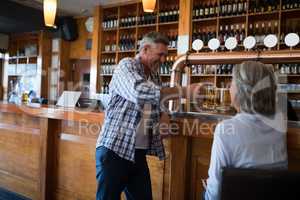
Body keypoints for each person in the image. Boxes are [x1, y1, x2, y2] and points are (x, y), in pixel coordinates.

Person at [95, 32, 202, 200]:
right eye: (160, 55)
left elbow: (160, 100)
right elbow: (140, 93)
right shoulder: (126, 66)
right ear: (145, 49)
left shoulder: (154, 76)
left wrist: (165, 116)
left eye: (165, 56)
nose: (163, 60)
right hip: (114, 149)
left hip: (137, 153)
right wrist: (184, 91)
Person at [204, 61, 288, 200]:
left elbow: (215, 191)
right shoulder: (279, 125)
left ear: (242, 91)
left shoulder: (226, 129)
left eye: (231, 83)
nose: (229, 89)